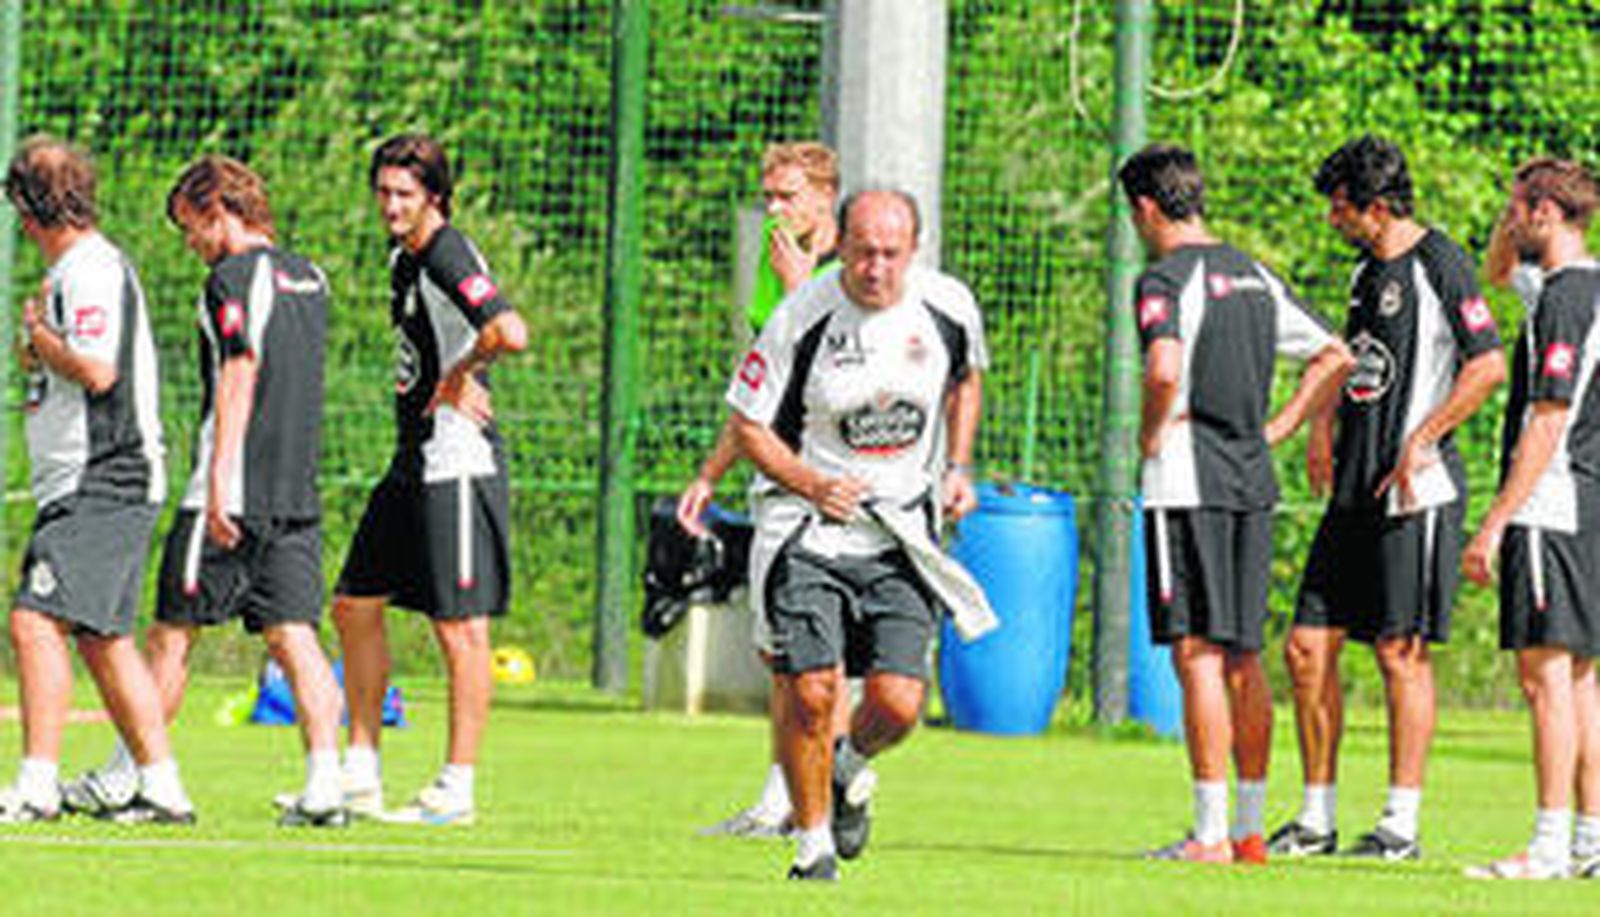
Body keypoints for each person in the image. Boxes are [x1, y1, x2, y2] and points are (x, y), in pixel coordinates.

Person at [66, 155, 346, 826]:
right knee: (295, 635)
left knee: (171, 635)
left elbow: (240, 370)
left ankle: (135, 776)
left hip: (230, 490)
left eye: (190, 226)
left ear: (220, 210)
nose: (190, 242)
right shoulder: (312, 277)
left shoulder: (230, 277)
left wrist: (218, 484)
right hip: (294, 493)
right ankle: (325, 787)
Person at [728, 188, 994, 881]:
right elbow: (749, 426)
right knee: (813, 690)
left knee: (899, 703)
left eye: (891, 254)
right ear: (840, 246)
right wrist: (813, 483)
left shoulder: (948, 308)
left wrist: (957, 466)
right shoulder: (798, 319)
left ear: (914, 250)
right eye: (864, 252)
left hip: (900, 531)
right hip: (809, 530)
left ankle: (850, 765)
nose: (876, 267)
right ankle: (812, 845)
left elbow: (967, 380)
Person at [1270, 135, 1507, 860]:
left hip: (1416, 492)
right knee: (1308, 646)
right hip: (1352, 489)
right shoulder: (1363, 270)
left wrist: (1424, 436)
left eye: (1340, 208)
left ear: (1375, 206)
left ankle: (1399, 824)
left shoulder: (1442, 262)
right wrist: (1320, 425)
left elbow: (1488, 364)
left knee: (1399, 653)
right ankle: (1315, 817)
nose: (1332, 219)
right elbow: (1352, 358)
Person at [1119, 144, 1353, 865]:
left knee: (1196, 653)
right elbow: (1336, 353)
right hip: (1253, 481)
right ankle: (1249, 829)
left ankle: (1210, 832)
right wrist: (1280, 425)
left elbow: (1163, 366)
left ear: (1145, 208)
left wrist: (1152, 431)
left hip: (1187, 480)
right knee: (1245, 656)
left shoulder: (1161, 278)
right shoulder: (1251, 273)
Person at [330, 133, 527, 825]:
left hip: (456, 460)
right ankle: (358, 771)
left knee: (459, 628)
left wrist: (458, 374)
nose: (389, 204)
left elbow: (510, 328)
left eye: (404, 194)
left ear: (434, 199)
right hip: (411, 458)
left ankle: (456, 785)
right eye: (382, 191)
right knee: (354, 602)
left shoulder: (445, 251)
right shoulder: (402, 257)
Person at [0, 135, 194, 825]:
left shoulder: (90, 270)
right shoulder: (73, 272)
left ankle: (36, 784)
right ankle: (162, 782)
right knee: (102, 636)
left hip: (104, 475)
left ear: (31, 207)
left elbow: (97, 369)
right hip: (84, 481)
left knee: (34, 619)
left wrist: (41, 341)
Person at [685, 141, 849, 839]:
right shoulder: (778, 267)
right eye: (769, 195)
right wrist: (710, 471)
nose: (774, 208)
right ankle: (789, 792)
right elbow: (765, 375)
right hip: (777, 476)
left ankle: (807, 799)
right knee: (779, 650)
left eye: (787, 196)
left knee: (818, 652)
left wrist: (799, 284)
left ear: (824, 197)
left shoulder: (849, 275)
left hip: (832, 485)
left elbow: (829, 374)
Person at [1463, 158, 1600, 880]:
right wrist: (1514, 215)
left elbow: (1549, 417)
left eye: (1518, 208)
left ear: (1546, 212)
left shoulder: (1564, 300)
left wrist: (1495, 521)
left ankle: (1548, 844)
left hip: (1551, 500)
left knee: (1544, 676)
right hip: (1587, 503)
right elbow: (1496, 269)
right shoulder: (1573, 286)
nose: (1509, 221)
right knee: (1579, 678)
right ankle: (1589, 840)